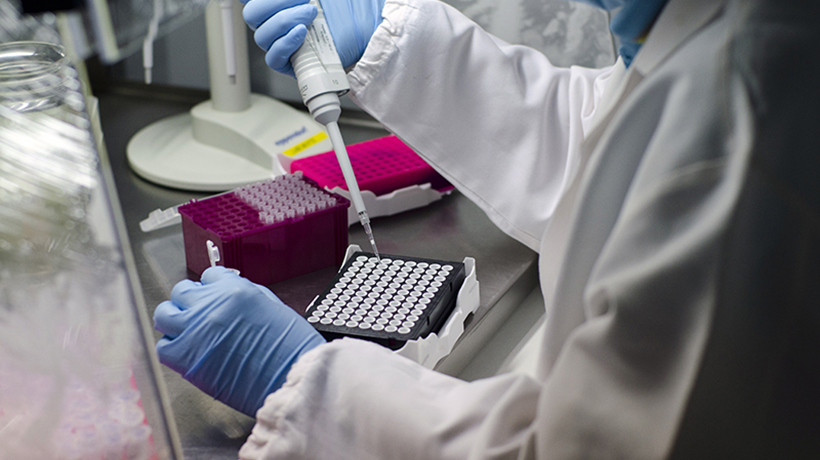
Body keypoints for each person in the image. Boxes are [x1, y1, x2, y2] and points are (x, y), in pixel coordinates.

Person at [153, 0, 820, 458]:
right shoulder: (722, 37)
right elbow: (617, 149)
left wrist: (307, 384)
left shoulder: (749, 103)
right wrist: (396, 42)